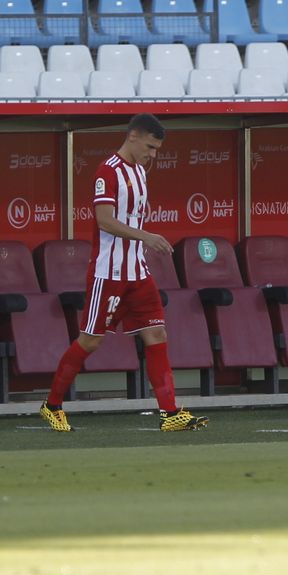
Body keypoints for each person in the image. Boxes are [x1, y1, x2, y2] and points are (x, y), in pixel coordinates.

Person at [39, 114, 207, 433]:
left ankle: (170, 413)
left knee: (157, 334)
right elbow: (104, 220)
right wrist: (146, 236)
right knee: (89, 341)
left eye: (157, 149)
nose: (153, 154)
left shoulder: (141, 172)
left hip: (138, 272)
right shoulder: (108, 171)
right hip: (109, 273)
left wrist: (143, 241)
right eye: (150, 146)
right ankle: (52, 405)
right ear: (132, 136)